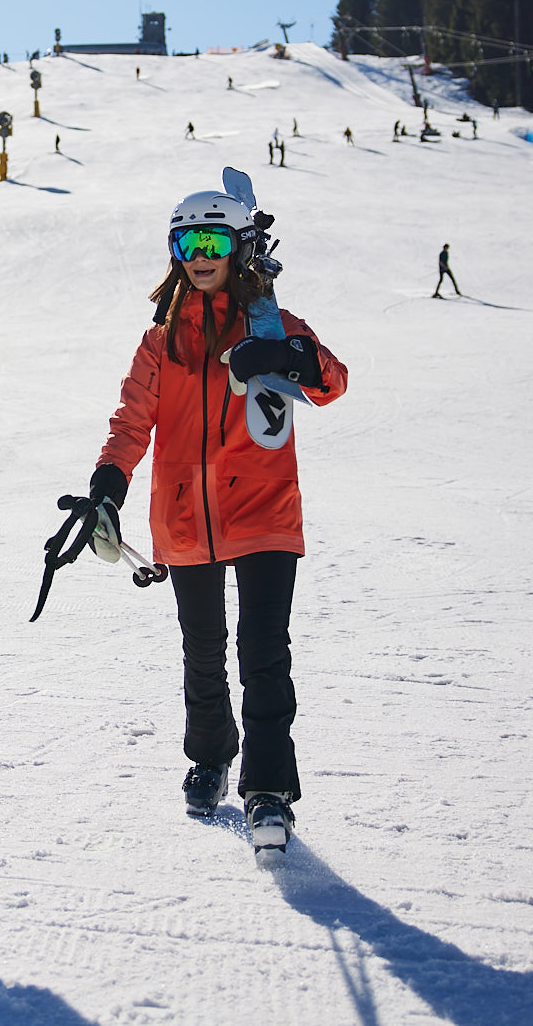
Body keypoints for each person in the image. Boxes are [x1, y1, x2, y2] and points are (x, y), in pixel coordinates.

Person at [73, 177, 347, 843]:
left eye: (213, 239)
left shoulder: (271, 326)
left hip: (263, 511)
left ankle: (270, 787)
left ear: (238, 247)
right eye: (186, 240)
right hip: (186, 521)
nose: (199, 254)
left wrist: (288, 352)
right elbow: (131, 423)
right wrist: (107, 489)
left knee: (263, 653)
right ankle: (211, 756)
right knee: (203, 651)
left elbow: (332, 381)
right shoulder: (160, 341)